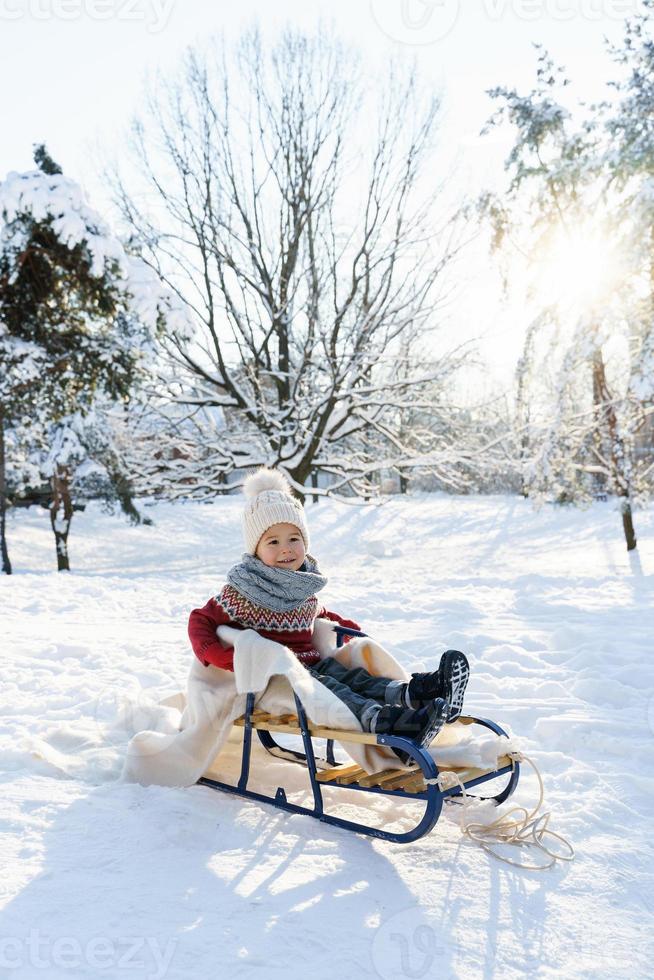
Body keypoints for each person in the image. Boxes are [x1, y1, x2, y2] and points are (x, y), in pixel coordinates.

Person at [188, 469, 469, 756]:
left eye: (293, 539)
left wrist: (346, 627)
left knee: (353, 676)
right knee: (334, 689)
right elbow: (201, 619)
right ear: (256, 549)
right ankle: (386, 721)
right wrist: (215, 653)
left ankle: (417, 693)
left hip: (312, 665)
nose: (286, 549)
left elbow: (318, 613)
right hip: (276, 678)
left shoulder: (301, 585)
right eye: (273, 542)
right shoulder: (244, 589)